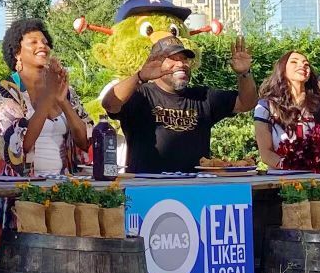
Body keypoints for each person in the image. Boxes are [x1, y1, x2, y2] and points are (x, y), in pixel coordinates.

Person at [103, 35, 256, 173]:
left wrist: (244, 74)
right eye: (173, 59)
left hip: (194, 189)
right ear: (155, 62)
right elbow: (110, 104)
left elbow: (246, 103)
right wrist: (140, 76)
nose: (181, 64)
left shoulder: (203, 97)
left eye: (184, 59)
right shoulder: (141, 94)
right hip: (147, 189)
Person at [0, 18, 88, 178]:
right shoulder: (7, 90)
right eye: (33, 42)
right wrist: (49, 95)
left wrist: (63, 101)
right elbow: (20, 147)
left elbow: (85, 142)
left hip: (65, 186)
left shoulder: (64, 89)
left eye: (45, 42)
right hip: (23, 190)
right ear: (17, 53)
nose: (42, 46)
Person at [252, 50, 320, 167]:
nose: (302, 66)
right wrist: (291, 167)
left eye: (306, 64)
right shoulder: (265, 106)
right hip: (281, 179)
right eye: (294, 62)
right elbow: (266, 154)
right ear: (282, 70)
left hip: (317, 178)